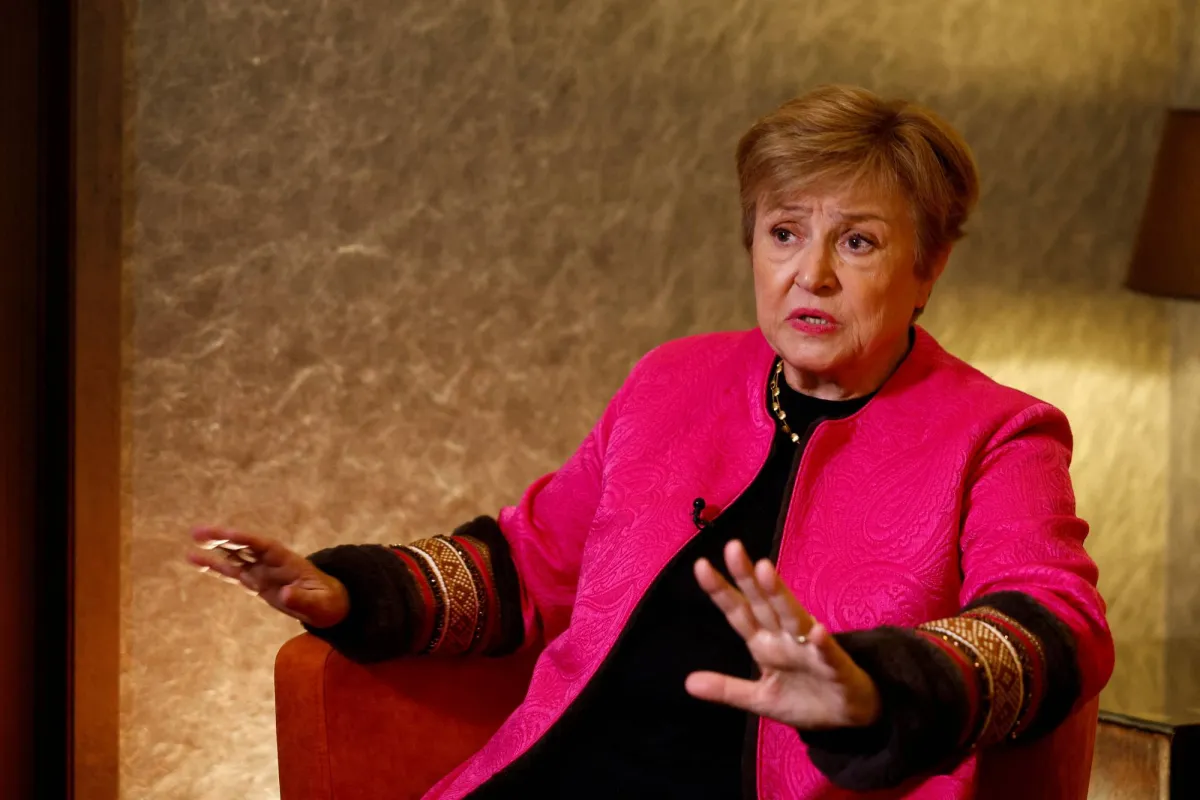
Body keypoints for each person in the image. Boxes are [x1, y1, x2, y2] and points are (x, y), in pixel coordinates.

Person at [188, 84, 1113, 799]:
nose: (813, 274)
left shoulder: (997, 432)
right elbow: (529, 565)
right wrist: (351, 590)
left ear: (929, 264)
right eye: (784, 232)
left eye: (858, 243)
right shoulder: (673, 380)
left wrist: (878, 688)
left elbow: (1058, 622)